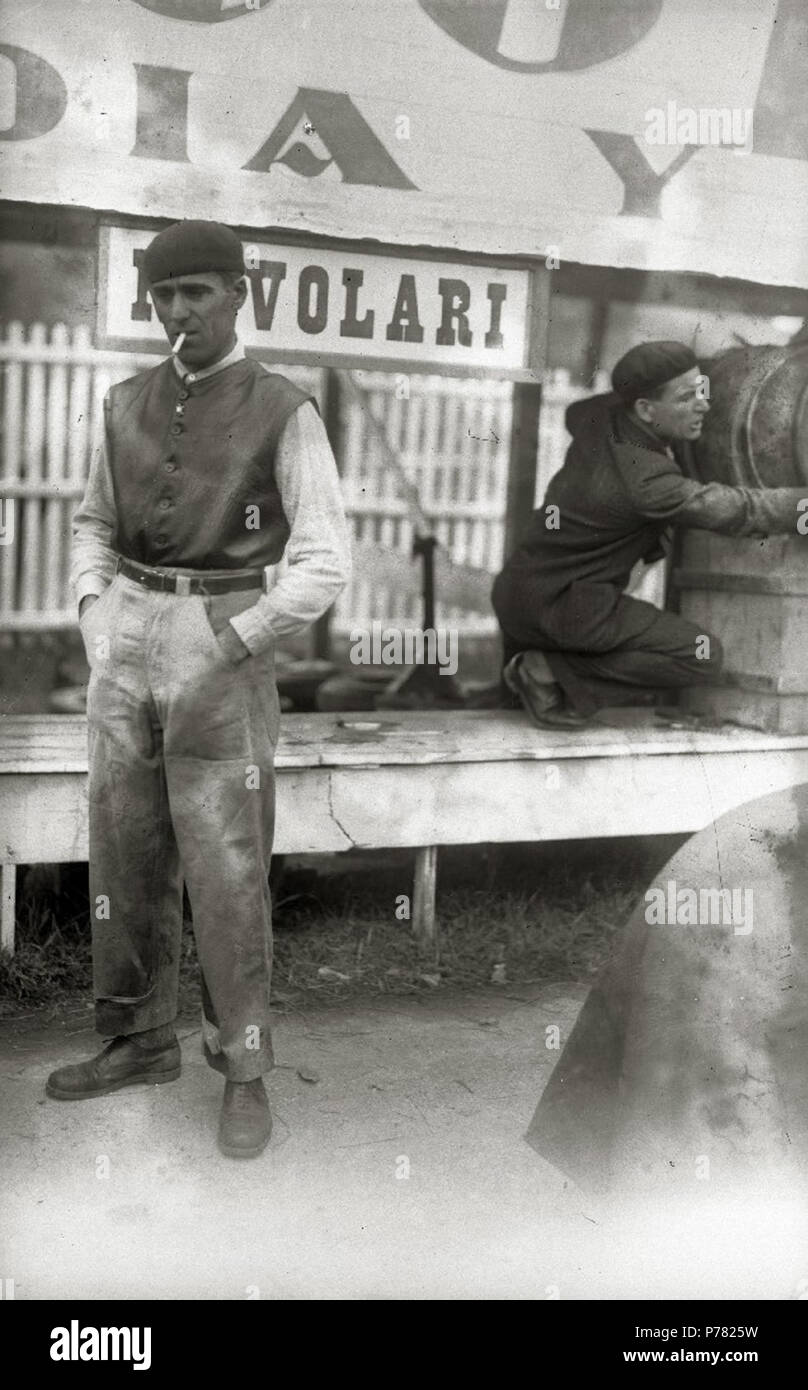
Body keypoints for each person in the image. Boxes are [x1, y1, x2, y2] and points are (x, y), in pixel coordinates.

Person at [46, 219, 351, 1158]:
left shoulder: (282, 407)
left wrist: (244, 634)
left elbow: (325, 558)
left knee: (225, 865)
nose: (180, 312)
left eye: (199, 294)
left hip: (222, 639)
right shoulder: (123, 402)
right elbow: (92, 521)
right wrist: (98, 611)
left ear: (237, 295)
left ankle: (246, 1070)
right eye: (166, 296)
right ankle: (138, 1039)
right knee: (124, 845)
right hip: (127, 634)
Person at [492, 341, 808, 728]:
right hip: (564, 605)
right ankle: (545, 671)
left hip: (523, 591)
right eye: (687, 398)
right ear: (644, 409)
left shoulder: (602, 419)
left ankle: (546, 674)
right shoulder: (644, 480)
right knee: (702, 655)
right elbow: (739, 508)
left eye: (704, 392)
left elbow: (578, 411)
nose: (705, 406)